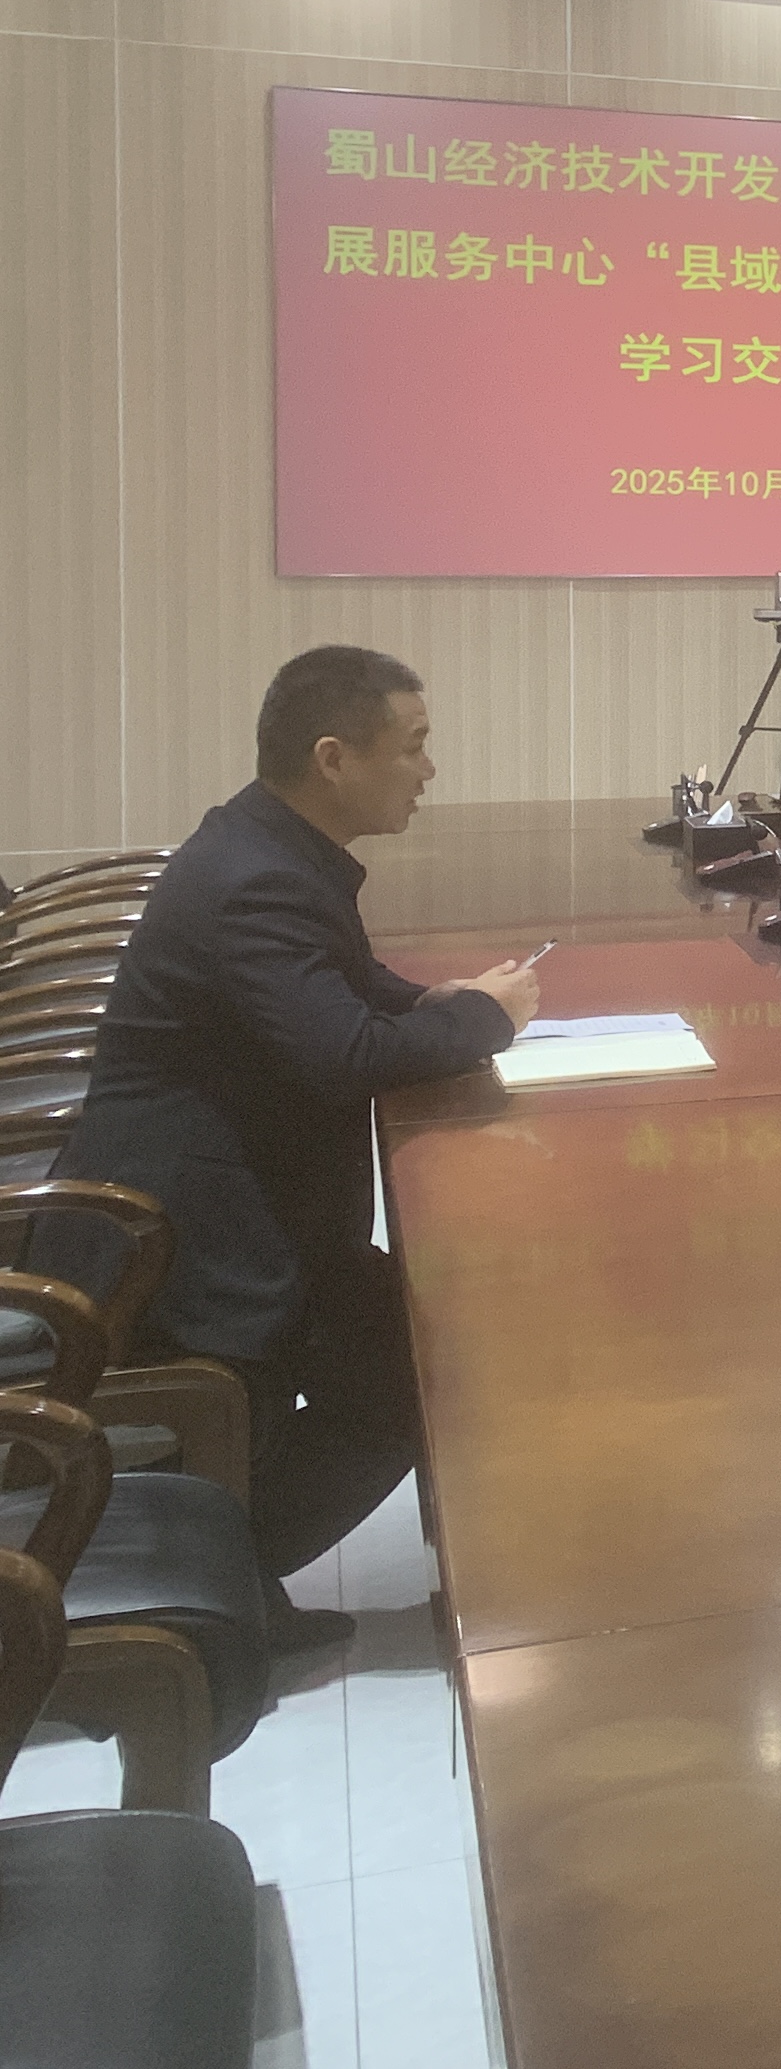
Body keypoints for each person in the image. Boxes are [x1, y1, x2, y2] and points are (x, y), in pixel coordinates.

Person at [55, 647, 540, 1641]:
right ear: (333, 757)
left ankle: (227, 1574)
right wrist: (486, 1021)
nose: (429, 770)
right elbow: (341, 1054)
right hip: (183, 1243)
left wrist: (432, 1003)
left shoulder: (270, 847)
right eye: (412, 746)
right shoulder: (256, 880)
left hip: (231, 1202)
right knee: (416, 1364)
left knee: (424, 1345)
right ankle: (210, 1585)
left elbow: (336, 986)